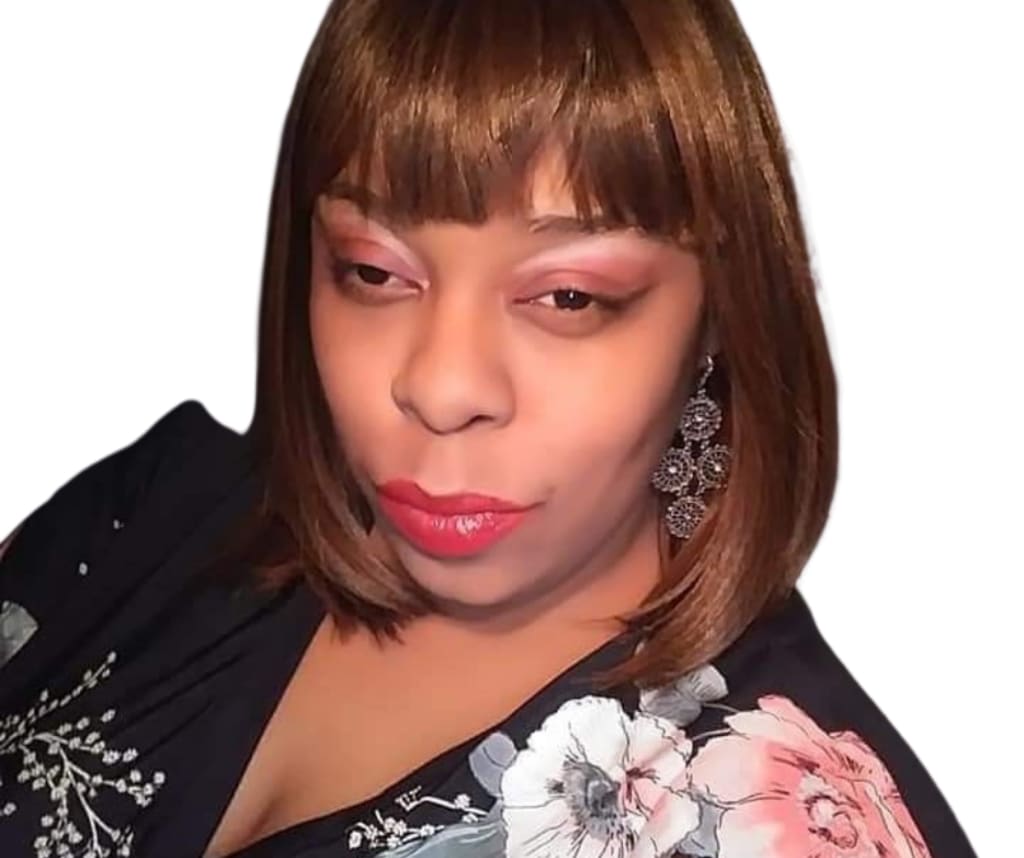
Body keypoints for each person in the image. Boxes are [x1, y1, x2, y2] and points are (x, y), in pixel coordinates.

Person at [0, 1, 978, 856]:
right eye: (374, 272)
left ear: (719, 316)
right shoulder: (148, 517)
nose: (441, 386)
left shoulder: (790, 824)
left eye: (568, 296)